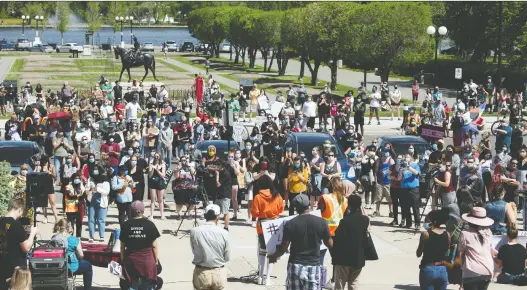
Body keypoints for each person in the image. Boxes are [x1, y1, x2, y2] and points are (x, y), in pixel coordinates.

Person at [268, 194, 333, 290]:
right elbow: (330, 244)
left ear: (296, 207)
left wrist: (274, 256)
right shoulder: (321, 222)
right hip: (313, 266)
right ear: (308, 205)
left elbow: (284, 246)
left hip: (295, 265)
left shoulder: (291, 224)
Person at [331, 195, 369, 290]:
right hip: (358, 257)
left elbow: (338, 237)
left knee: (340, 283)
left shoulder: (344, 221)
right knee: (354, 283)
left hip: (344, 258)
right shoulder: (365, 220)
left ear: (349, 205)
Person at [251, 175, 284, 285]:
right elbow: (281, 210)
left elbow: (254, 213)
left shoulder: (257, 197)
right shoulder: (277, 195)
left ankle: (260, 277)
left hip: (262, 225)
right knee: (272, 252)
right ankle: (268, 278)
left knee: (262, 252)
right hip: (274, 225)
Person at [120, 201, 160, 290]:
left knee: (133, 284)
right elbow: (154, 246)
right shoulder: (150, 224)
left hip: (131, 260)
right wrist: (156, 260)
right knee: (148, 284)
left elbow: (122, 247)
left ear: (131, 211)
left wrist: (122, 260)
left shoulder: (126, 225)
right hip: (147, 259)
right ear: (143, 210)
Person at [0, 198, 38, 290]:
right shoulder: (16, 225)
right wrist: (32, 233)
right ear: (20, 209)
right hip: (14, 268)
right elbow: (26, 247)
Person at [190, 204, 230, 290]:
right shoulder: (224, 233)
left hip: (202, 272)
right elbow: (227, 257)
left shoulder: (194, 231)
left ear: (205, 216)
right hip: (219, 272)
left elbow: (194, 250)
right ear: (217, 217)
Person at [458, 207, 494, 290]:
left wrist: (462, 267)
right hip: (487, 269)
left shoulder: (465, 233)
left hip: (471, 271)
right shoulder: (488, 232)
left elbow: (461, 253)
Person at [52, 219, 93, 290]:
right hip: (71, 267)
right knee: (88, 266)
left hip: (58, 266)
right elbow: (81, 255)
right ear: (68, 228)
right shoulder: (74, 239)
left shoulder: (54, 238)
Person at [416, 210, 450, 290]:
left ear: (433, 222)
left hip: (428, 268)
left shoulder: (425, 234)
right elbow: (447, 252)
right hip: (442, 269)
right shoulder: (447, 235)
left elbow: (418, 254)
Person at [88, 171, 110, 243]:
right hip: (92, 203)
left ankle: (101, 236)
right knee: (91, 220)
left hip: (102, 203)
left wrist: (97, 189)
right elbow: (87, 189)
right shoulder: (91, 181)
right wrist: (89, 188)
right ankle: (91, 236)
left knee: (101, 220)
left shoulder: (106, 183)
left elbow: (106, 192)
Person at [372, 147, 394, 217]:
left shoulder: (390, 160)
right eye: (384, 152)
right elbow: (375, 172)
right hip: (380, 182)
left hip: (388, 183)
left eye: (387, 151)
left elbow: (393, 170)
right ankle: (377, 211)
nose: (385, 153)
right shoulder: (378, 160)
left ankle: (391, 212)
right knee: (378, 198)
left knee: (390, 199)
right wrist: (376, 181)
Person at [213, 160, 233, 230]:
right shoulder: (221, 172)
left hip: (225, 196)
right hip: (219, 195)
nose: (216, 167)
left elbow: (218, 184)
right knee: (215, 211)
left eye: (218, 166)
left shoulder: (225, 174)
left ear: (222, 166)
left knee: (225, 212)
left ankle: (226, 228)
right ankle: (214, 226)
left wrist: (217, 175)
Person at [148, 152, 166, 220]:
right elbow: (149, 175)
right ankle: (151, 215)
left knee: (160, 199)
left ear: (160, 157)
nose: (156, 158)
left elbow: (163, 175)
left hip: (160, 182)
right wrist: (152, 169)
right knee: (153, 199)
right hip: (153, 182)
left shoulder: (163, 164)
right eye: (155, 156)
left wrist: (158, 170)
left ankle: (162, 215)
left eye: (158, 156)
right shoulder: (151, 164)